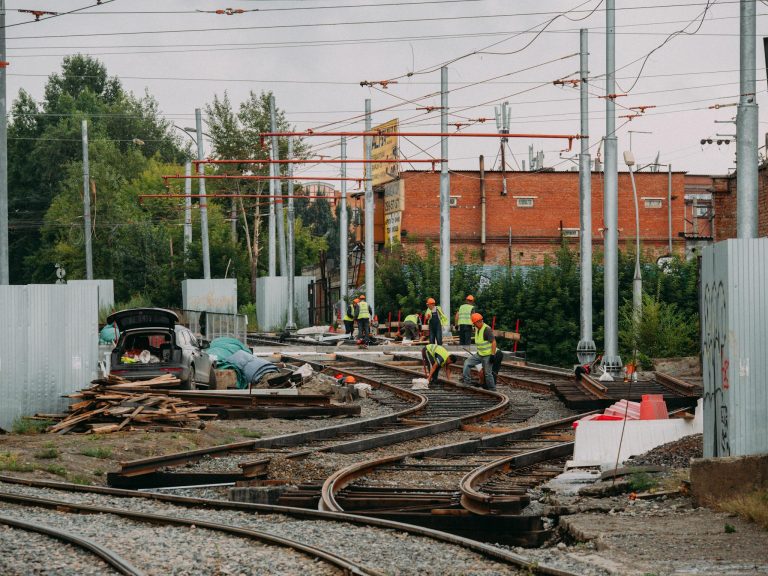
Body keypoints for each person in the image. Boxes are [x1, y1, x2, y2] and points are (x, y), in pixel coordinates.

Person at [463, 312, 497, 390]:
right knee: (467, 363)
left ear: (479, 321)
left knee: (488, 373)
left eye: (475, 323)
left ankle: (493, 390)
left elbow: (494, 342)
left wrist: (492, 354)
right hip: (479, 354)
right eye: (474, 324)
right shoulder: (477, 328)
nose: (474, 325)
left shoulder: (487, 329)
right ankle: (467, 382)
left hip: (487, 355)